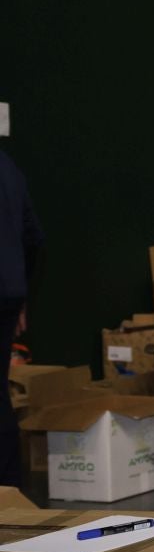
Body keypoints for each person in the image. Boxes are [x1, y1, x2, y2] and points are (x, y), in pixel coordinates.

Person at [0, 150, 44, 486]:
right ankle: (9, 489)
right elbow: (33, 237)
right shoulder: (9, 166)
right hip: (9, 290)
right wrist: (20, 294)